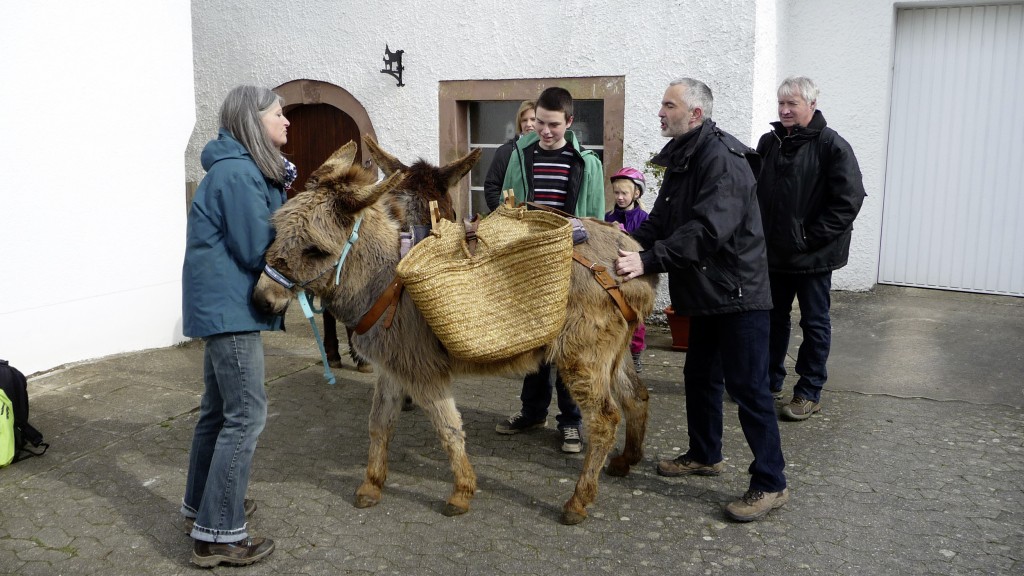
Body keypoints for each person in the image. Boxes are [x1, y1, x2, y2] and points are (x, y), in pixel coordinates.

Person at [614, 78, 788, 522]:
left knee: (748, 388)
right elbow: (662, 221)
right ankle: (705, 454)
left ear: (695, 113)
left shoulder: (723, 160)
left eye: (668, 104)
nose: (660, 111)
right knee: (699, 377)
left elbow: (708, 229)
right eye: (662, 103)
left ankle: (771, 482)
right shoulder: (685, 157)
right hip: (708, 293)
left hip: (739, 294)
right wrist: (625, 244)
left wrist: (650, 258)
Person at [180, 85, 293, 567]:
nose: (287, 121)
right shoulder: (240, 174)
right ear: (254, 119)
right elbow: (255, 249)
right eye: (279, 113)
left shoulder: (235, 169)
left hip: (221, 306)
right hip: (231, 309)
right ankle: (219, 535)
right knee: (245, 415)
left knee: (217, 412)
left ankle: (202, 509)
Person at [494, 86, 605, 454]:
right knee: (533, 341)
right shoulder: (520, 155)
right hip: (531, 261)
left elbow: (597, 221)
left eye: (553, 125)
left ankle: (570, 422)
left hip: (571, 265)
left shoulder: (587, 163)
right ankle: (532, 412)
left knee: (568, 343)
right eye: (539, 122)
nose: (544, 130)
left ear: (569, 122)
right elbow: (507, 205)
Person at [755, 77, 865, 421]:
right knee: (773, 320)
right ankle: (769, 380)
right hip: (774, 255)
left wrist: (808, 238)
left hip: (813, 256)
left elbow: (849, 200)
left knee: (815, 323)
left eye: (793, 104)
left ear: (811, 105)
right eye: (781, 104)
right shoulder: (769, 142)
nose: (785, 110)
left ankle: (809, 391)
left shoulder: (832, 145)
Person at [604, 167, 649, 373]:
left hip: (635, 275)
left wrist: (626, 234)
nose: (620, 197)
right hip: (612, 273)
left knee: (635, 316)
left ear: (636, 193)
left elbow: (645, 244)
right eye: (616, 193)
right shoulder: (608, 216)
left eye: (625, 193)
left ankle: (636, 353)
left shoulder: (644, 218)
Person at [484, 100, 536, 211]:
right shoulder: (506, 152)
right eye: (524, 120)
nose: (528, 124)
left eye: (533, 119)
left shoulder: (547, 151)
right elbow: (491, 186)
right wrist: (503, 215)